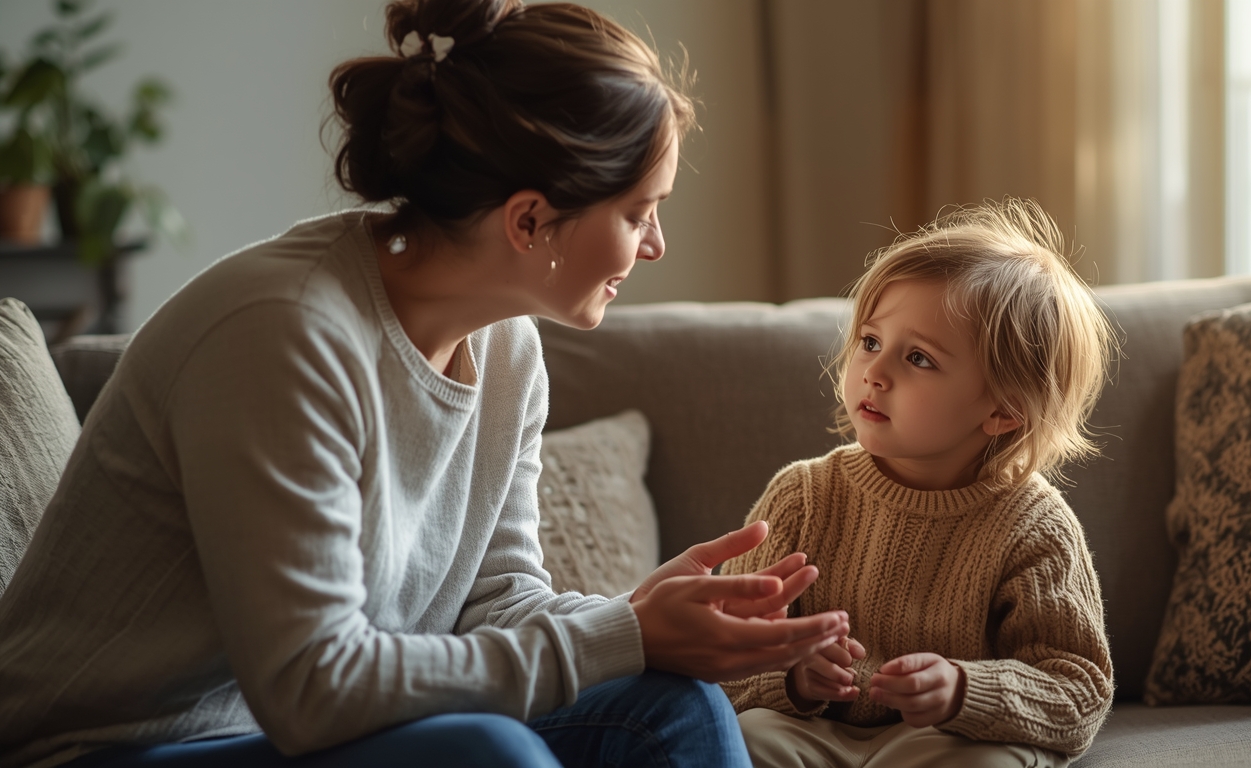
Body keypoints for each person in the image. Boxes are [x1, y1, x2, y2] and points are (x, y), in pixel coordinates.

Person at [0, 1, 852, 766]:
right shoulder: (281, 334)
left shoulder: (509, 345)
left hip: (309, 736)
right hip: (111, 747)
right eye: (637, 213)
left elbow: (495, 598)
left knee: (669, 705)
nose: (655, 244)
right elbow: (312, 688)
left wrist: (632, 621)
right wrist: (620, 635)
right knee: (486, 754)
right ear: (528, 220)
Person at [720, 199, 1118, 768]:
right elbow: (722, 650)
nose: (875, 373)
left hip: (947, 739)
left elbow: (1078, 692)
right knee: (745, 738)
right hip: (807, 730)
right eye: (870, 342)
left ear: (1004, 411)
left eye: (919, 359)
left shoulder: (1034, 527)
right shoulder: (802, 495)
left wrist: (963, 690)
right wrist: (795, 678)